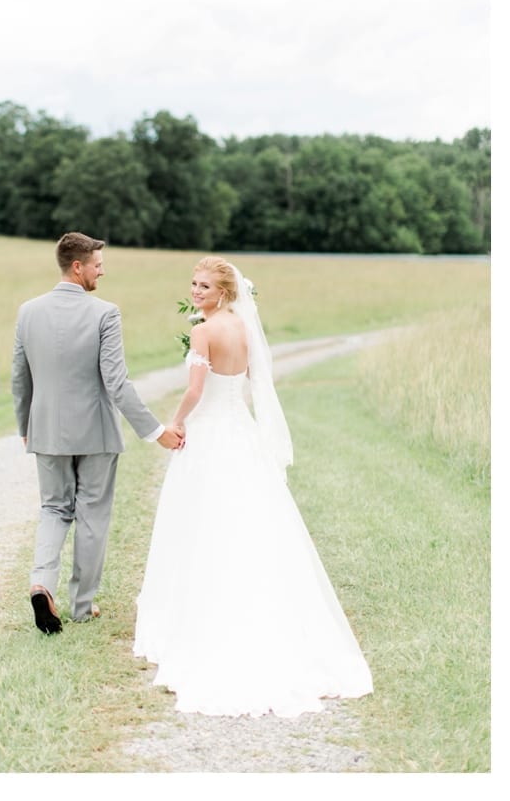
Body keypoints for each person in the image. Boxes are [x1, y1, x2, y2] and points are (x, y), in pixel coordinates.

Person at [132, 256, 373, 716]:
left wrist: (175, 423)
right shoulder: (242, 327)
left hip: (208, 432)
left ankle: (200, 616)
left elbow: (195, 391)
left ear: (224, 292)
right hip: (239, 431)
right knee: (247, 515)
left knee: (198, 520)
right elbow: (247, 382)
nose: (196, 291)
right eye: (193, 284)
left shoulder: (204, 332)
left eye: (204, 286)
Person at [11, 233, 183, 634]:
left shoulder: (28, 312)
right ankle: (82, 606)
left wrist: (26, 427)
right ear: (78, 266)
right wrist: (155, 430)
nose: (101, 271)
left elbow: (20, 379)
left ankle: (41, 583)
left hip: (47, 431)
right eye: (97, 264)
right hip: (96, 433)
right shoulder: (105, 313)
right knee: (92, 514)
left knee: (54, 509)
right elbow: (117, 383)